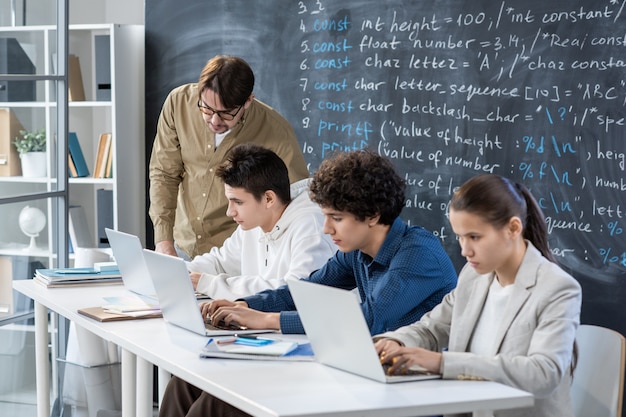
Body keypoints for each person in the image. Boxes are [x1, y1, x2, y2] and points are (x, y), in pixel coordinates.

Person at [157, 149, 458, 417]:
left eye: (336, 218)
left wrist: (268, 320)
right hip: (350, 370)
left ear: (373, 215)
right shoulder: (356, 251)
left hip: (397, 390)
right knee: (186, 383)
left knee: (220, 404)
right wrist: (244, 306)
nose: (326, 228)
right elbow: (302, 291)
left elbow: (367, 320)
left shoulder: (418, 254)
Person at [374, 174, 582, 417]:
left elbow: (544, 373)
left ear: (513, 228)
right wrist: (396, 343)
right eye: (460, 237)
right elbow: (432, 328)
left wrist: (443, 363)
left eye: (474, 237)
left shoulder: (557, 288)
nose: (464, 250)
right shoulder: (473, 277)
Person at [149, 55, 309, 259]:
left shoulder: (277, 133)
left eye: (226, 114)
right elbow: (164, 174)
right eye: (206, 108)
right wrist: (163, 240)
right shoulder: (178, 103)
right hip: (181, 245)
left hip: (235, 256)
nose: (214, 121)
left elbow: (295, 201)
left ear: (248, 101)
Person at [186, 143, 336, 299]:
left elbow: (295, 294)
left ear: (269, 199)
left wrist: (210, 284)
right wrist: (183, 271)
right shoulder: (253, 223)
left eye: (238, 202)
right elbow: (220, 263)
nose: (229, 212)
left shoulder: (311, 228)